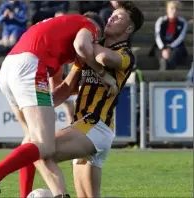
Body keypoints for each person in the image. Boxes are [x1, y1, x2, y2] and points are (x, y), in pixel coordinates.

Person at [0, 13, 117, 198]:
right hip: (29, 66)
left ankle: (33, 195)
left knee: (31, 141)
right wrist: (102, 73)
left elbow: (59, 90)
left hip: (9, 69)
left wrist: (74, 89)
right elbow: (82, 46)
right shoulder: (89, 27)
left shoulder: (57, 35)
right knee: (45, 146)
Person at [33, 2, 144, 197]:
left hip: (95, 126)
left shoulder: (125, 54)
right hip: (81, 127)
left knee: (40, 151)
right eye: (112, 15)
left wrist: (84, 39)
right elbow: (67, 88)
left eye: (118, 17)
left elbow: (103, 58)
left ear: (129, 29)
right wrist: (39, 107)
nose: (111, 18)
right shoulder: (88, 49)